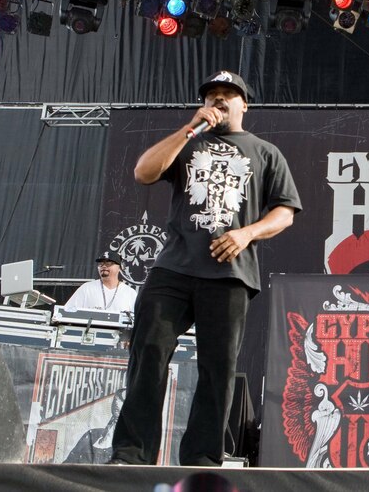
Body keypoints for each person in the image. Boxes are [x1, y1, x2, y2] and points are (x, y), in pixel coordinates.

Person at [110, 70, 302, 466]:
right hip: (174, 269)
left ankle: (201, 459)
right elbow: (143, 172)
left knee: (217, 369)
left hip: (229, 274)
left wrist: (248, 233)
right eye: (212, 94)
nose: (219, 99)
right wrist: (189, 129)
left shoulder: (265, 152)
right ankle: (132, 455)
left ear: (244, 104)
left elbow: (285, 212)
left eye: (228, 94)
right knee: (148, 355)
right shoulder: (186, 143)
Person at [63, 254, 137, 313]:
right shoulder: (86, 288)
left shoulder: (130, 293)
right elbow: (67, 311)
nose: (103, 266)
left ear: (120, 267)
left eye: (108, 263)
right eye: (101, 264)